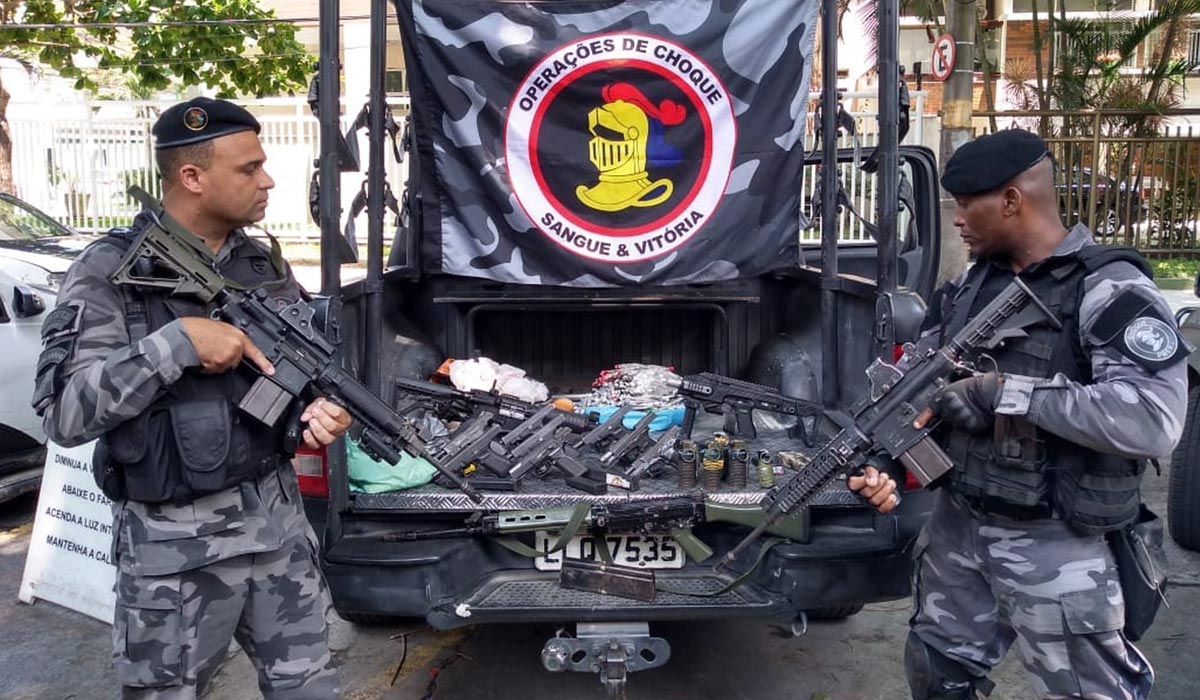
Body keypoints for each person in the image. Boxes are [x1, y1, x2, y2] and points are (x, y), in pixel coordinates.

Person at [849, 128, 1187, 700]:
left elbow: (1153, 420)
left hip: (1058, 540)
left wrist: (1004, 393)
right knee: (937, 673)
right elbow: (919, 391)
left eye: (965, 206)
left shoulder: (1108, 290)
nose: (956, 220)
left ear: (1011, 201)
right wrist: (881, 457)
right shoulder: (967, 290)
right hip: (960, 526)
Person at [31, 97, 351, 699]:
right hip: (177, 558)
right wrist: (174, 345)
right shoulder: (110, 272)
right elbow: (65, 415)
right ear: (193, 176)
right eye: (249, 168)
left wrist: (313, 412)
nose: (268, 180)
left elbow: (298, 374)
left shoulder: (261, 263)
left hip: (279, 536)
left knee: (311, 688)